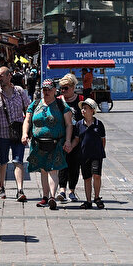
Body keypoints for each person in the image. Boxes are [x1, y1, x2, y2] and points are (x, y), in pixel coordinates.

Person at [23, 78, 73, 209]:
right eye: (44, 90)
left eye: (49, 89)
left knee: (53, 170)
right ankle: (45, 197)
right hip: (38, 143)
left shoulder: (61, 105)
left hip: (56, 143)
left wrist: (68, 141)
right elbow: (27, 120)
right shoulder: (35, 104)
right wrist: (24, 133)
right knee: (43, 170)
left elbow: (69, 124)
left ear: (55, 90)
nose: (46, 92)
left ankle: (52, 196)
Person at [0, 66, 31, 201]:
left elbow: (27, 110)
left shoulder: (19, 91)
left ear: (9, 76)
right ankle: (1, 187)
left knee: (18, 161)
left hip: (17, 133)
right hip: (2, 133)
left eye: (1, 76)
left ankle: (20, 190)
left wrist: (26, 131)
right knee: (2, 161)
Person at [74, 98, 107, 209]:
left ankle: (97, 197)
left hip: (96, 155)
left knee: (97, 175)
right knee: (86, 178)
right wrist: (69, 146)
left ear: (92, 110)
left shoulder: (99, 124)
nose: (83, 111)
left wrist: (100, 151)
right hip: (84, 155)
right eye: (82, 108)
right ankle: (88, 201)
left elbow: (103, 140)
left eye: (86, 108)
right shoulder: (79, 124)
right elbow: (77, 139)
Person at [56, 74, 84, 202]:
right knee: (63, 163)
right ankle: (62, 190)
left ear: (73, 87)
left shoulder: (81, 99)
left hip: (77, 137)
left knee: (74, 164)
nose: (63, 91)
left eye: (66, 88)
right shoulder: (58, 100)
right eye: (61, 88)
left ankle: (72, 190)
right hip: (62, 136)